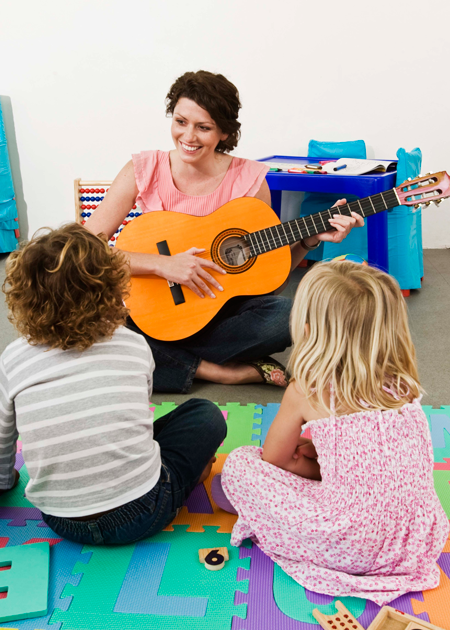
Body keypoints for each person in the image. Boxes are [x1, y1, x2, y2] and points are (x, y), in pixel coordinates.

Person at [84, 70, 364, 393]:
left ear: (225, 133)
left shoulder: (250, 181)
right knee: (93, 320)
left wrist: (308, 240)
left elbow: (266, 277)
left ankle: (162, 361)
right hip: (149, 307)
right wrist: (164, 264)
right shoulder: (142, 169)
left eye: (203, 128)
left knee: (288, 315)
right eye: (180, 122)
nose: (188, 137)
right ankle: (221, 372)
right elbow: (84, 250)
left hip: (217, 315)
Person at [215, 260, 449, 606]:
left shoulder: (307, 389)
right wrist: (322, 451)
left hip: (349, 547)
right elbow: (377, 465)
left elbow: (274, 460)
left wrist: (305, 457)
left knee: (239, 464)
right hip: (415, 543)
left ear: (309, 330)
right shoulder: (406, 386)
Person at [0, 223, 226, 545]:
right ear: (111, 288)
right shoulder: (133, 344)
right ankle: (188, 481)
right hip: (145, 511)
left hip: (60, 519)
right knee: (205, 414)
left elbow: (2, 438)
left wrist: (6, 482)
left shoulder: (13, 358)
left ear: (24, 296)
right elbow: (137, 417)